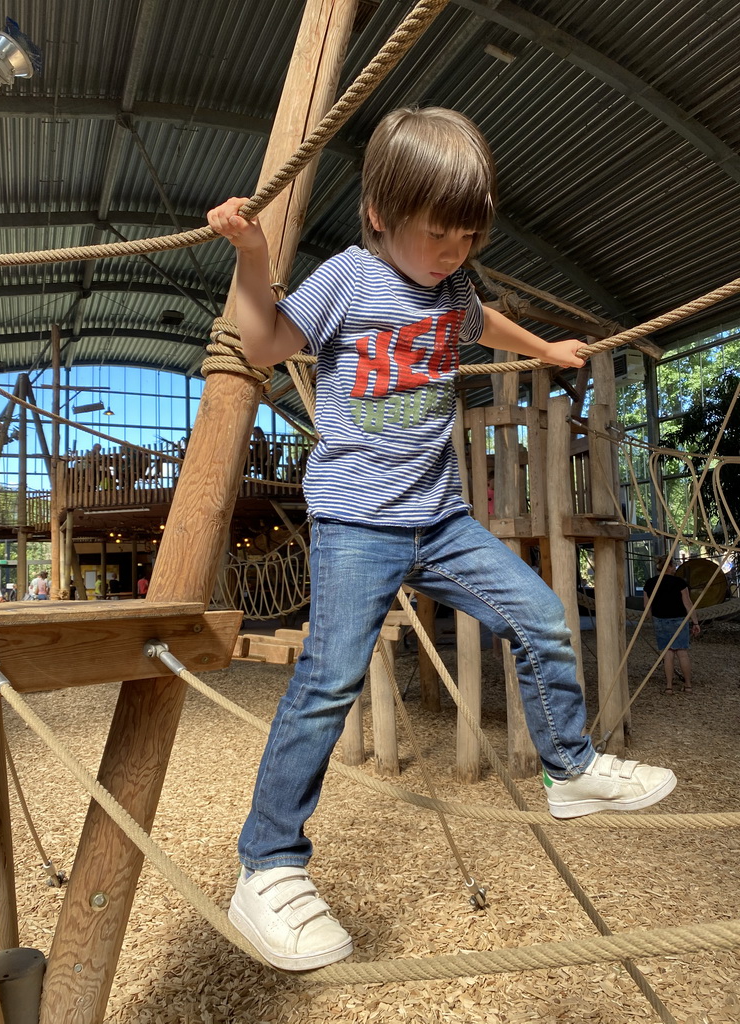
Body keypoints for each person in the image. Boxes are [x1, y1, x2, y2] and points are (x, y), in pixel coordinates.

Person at [207, 106, 676, 971]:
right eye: (438, 234)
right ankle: (267, 865)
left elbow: (483, 320)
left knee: (539, 615)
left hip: (441, 517)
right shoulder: (350, 276)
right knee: (329, 680)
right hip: (355, 520)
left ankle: (569, 770)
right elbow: (267, 343)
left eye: (469, 235)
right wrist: (252, 254)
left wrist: (548, 350)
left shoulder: (454, 286)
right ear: (381, 214)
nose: (455, 252)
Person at [643, 555, 700, 693]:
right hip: (679, 620)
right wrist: (695, 622)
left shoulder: (650, 583)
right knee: (682, 653)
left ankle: (669, 686)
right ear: (668, 567)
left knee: (668, 653)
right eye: (673, 565)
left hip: (660, 620)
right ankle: (688, 685)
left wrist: (648, 620)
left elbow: (647, 608)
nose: (675, 568)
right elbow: (687, 603)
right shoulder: (679, 582)